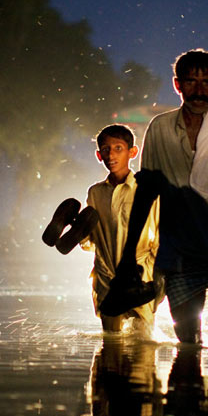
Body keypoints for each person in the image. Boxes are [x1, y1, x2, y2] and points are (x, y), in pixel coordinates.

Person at [113, 49, 208, 345]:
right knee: (186, 338)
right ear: (177, 84)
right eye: (191, 81)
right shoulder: (160, 129)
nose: (199, 90)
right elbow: (147, 191)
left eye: (207, 83)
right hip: (180, 249)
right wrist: (130, 252)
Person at [79, 124, 161, 334]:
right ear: (99, 155)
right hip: (106, 276)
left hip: (140, 274)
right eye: (105, 150)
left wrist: (156, 274)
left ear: (132, 152)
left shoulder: (145, 189)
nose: (111, 155)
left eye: (118, 148)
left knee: (143, 342)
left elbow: (160, 235)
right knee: (111, 343)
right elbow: (91, 239)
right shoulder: (96, 193)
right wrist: (77, 228)